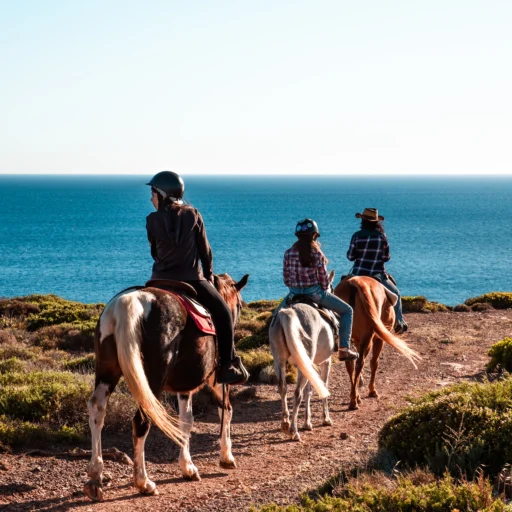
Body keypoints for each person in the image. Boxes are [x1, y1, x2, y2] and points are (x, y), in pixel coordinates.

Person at [145, 170, 249, 384]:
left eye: (153, 193)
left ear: (163, 194)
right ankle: (228, 364)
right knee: (222, 313)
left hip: (158, 280)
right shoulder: (193, 214)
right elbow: (206, 253)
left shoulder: (152, 220)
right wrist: (208, 275)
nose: (151, 198)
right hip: (191, 279)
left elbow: (155, 253)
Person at [282, 218, 358, 361]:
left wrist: (296, 288)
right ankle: (344, 349)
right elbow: (324, 280)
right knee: (348, 311)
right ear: (314, 236)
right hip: (315, 294)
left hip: (293, 295)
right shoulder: (318, 254)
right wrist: (323, 289)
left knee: (275, 317)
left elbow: (286, 279)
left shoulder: (288, 253)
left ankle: (275, 347)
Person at [347, 208, 408, 333]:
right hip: (377, 275)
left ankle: (337, 326)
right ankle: (399, 323)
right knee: (396, 294)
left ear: (363, 221)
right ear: (376, 222)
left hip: (358, 274)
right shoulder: (381, 237)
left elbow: (350, 257)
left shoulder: (356, 236)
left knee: (339, 294)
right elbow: (386, 258)